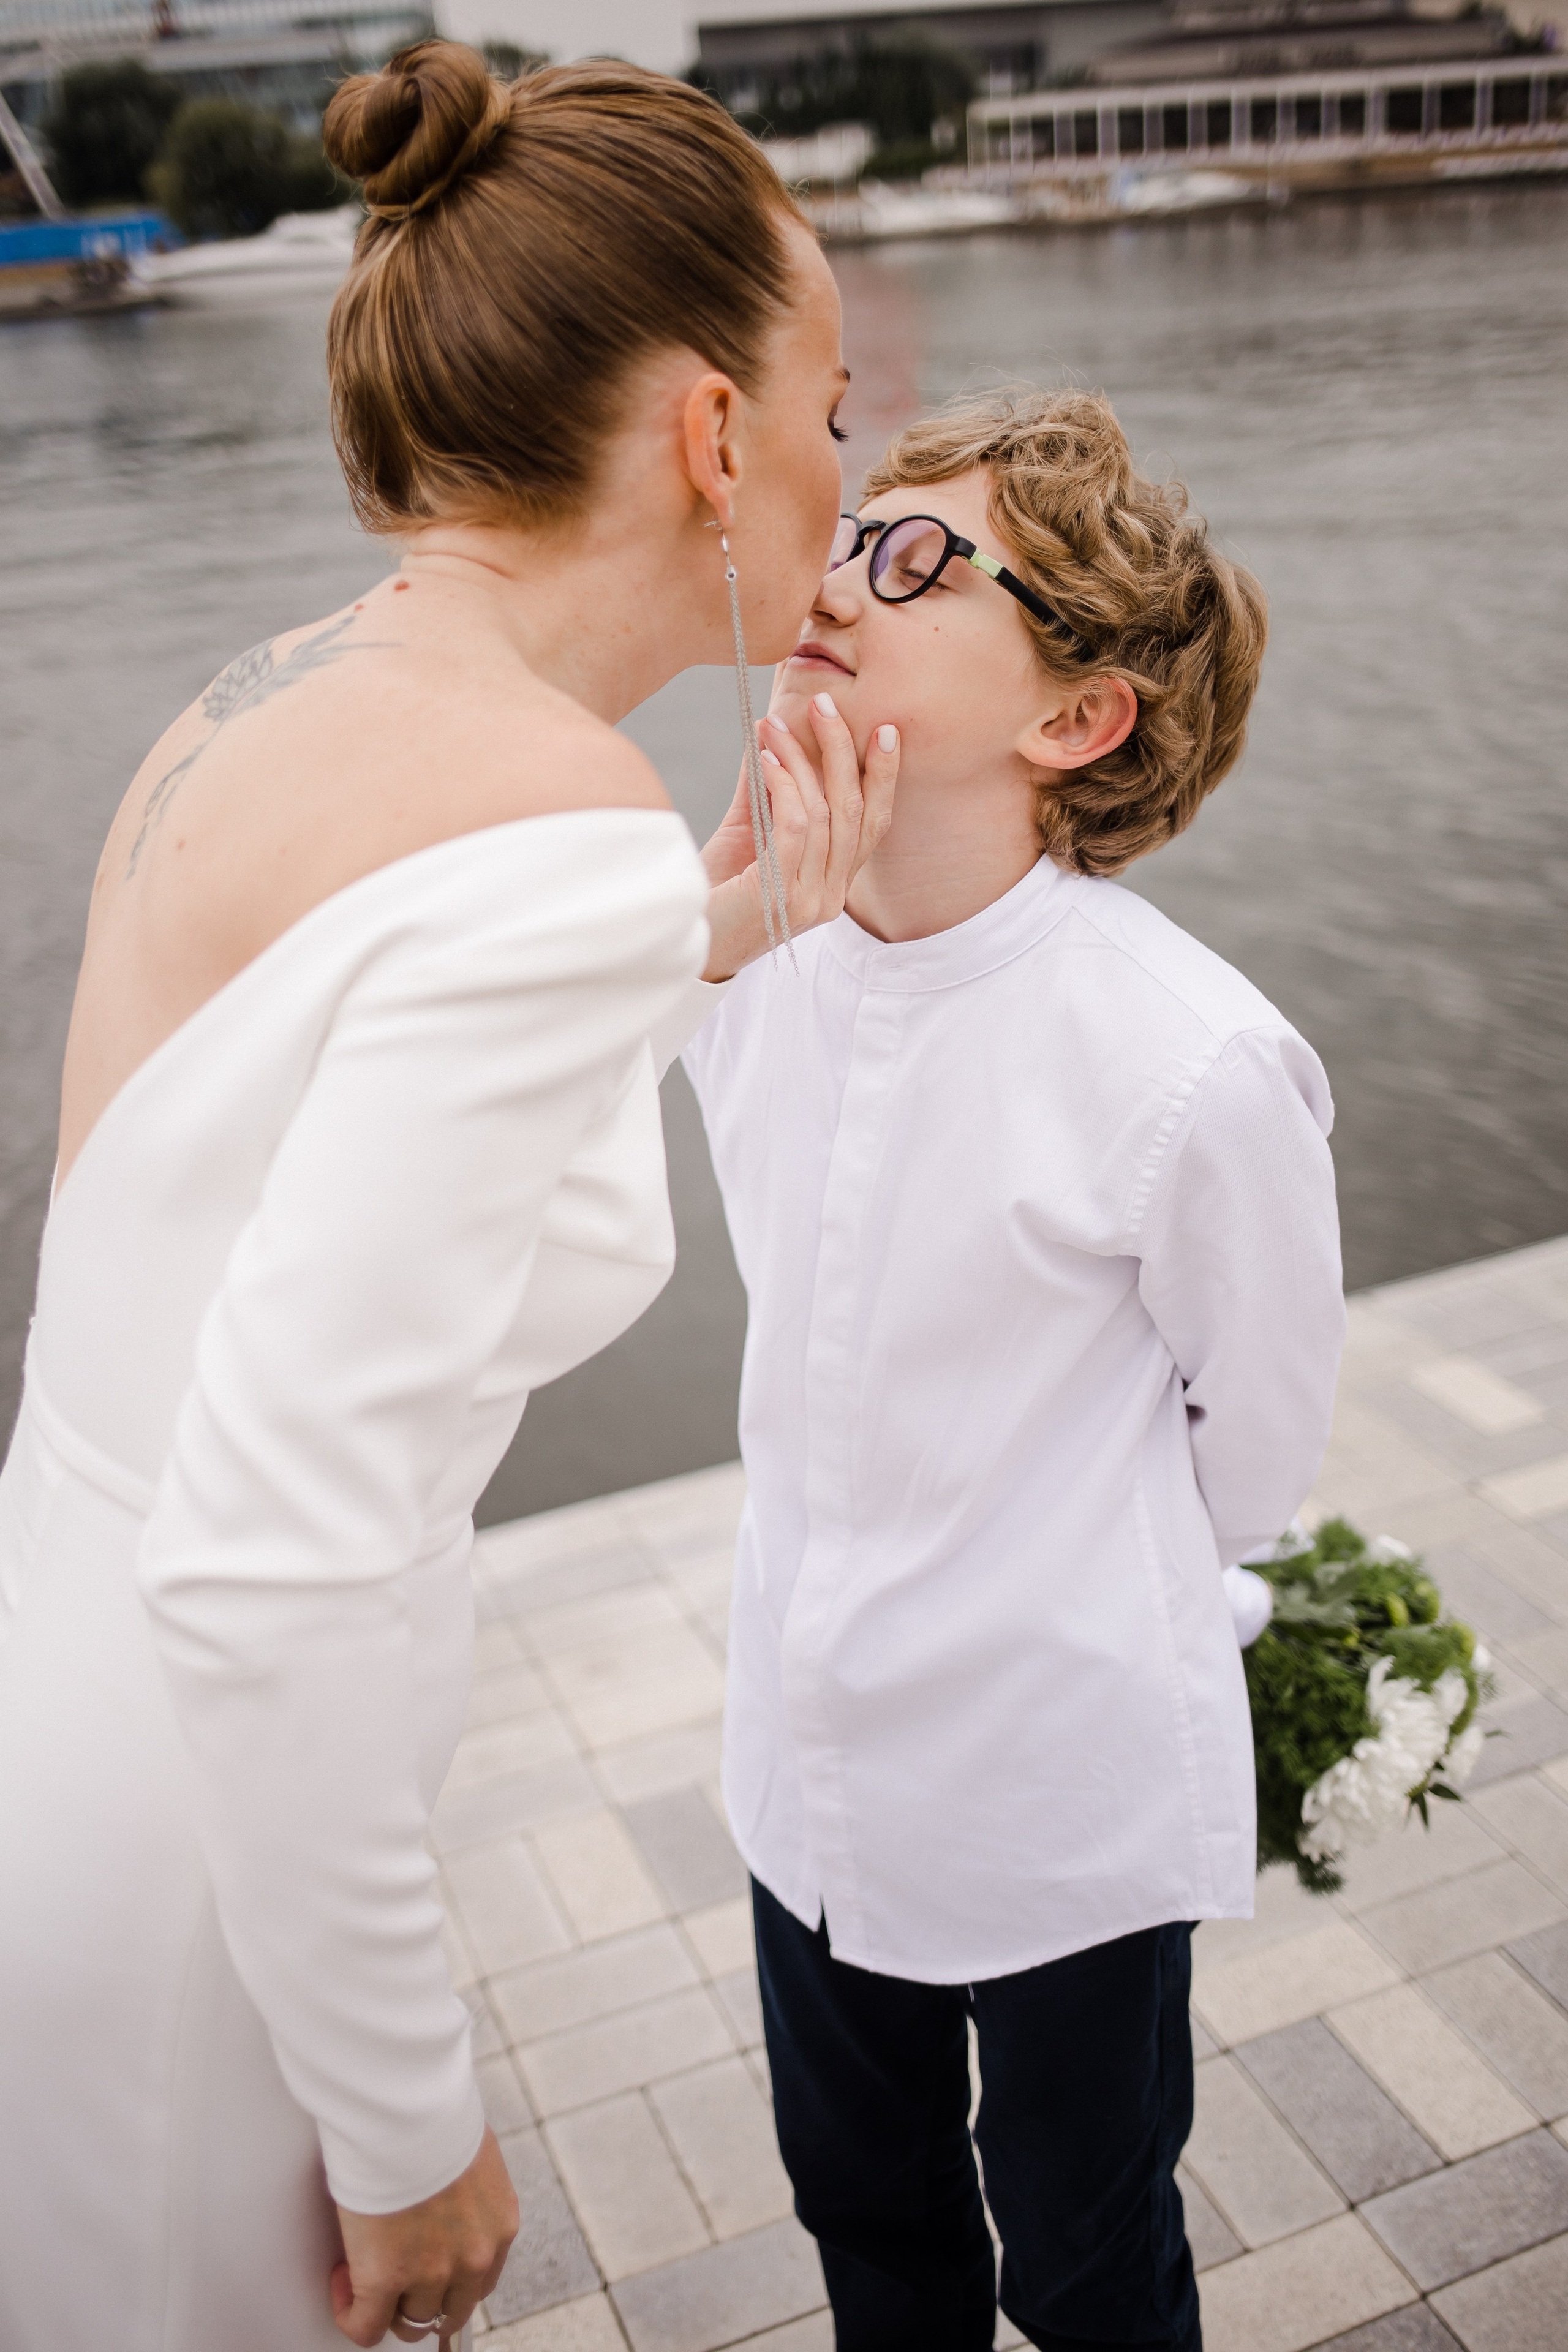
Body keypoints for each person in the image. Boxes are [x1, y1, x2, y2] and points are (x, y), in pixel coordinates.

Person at [0, 42, 897, 2352]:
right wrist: (409, 2131)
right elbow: (271, 1556)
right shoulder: (550, 822)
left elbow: (232, 1185)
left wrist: (701, 932)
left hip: (69, 1687)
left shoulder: (279, 695)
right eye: (827, 409)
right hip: (209, 1833)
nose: (839, 467)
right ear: (711, 434)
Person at [669, 389, 1347, 2350]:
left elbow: (1259, 1433)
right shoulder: (757, 953)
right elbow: (536, 1157)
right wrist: (711, 938)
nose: (838, 577)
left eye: (914, 559)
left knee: (1086, 2251)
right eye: (847, 535)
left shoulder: (1192, 1062)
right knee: (867, 2225)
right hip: (802, 1757)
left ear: (1073, 719)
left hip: (1059, 1786)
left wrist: (1079, 1569)